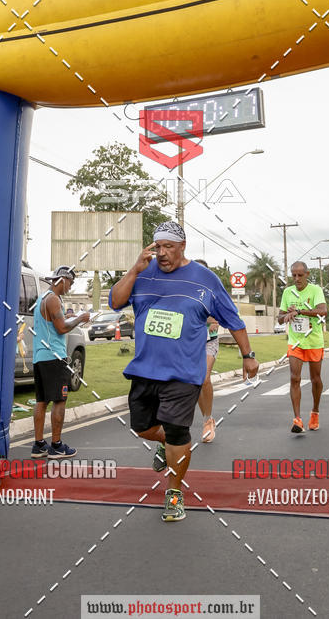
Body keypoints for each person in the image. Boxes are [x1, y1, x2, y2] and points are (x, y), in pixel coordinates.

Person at [110, 221, 259, 521]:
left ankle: (174, 493)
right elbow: (115, 301)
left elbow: (233, 319)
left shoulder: (205, 280)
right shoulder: (143, 273)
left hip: (184, 372)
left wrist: (248, 355)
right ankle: (166, 444)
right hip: (145, 369)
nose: (162, 253)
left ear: (182, 246)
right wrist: (134, 269)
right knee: (142, 427)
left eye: (169, 247)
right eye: (158, 247)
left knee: (178, 432)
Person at [31, 266, 92, 458]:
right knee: (59, 400)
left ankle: (39, 445)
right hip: (54, 357)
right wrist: (80, 318)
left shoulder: (43, 298)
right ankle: (56, 446)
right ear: (62, 280)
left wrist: (68, 317)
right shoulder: (54, 299)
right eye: (70, 283)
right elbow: (61, 328)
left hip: (40, 356)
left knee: (41, 401)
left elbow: (53, 322)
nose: (70, 287)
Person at [278, 261, 327, 434]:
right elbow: (279, 318)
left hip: (314, 341)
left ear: (307, 274)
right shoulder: (287, 292)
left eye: (300, 275)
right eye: (294, 275)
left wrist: (299, 311)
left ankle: (315, 412)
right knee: (294, 378)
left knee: (316, 379)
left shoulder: (315, 290)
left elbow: (323, 311)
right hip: (296, 342)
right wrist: (287, 314)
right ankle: (297, 420)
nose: (297, 278)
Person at [194, 259, 220, 443]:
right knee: (195, 383)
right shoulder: (185, 290)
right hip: (191, 342)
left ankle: (207, 421)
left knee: (204, 379)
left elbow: (220, 315)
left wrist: (214, 321)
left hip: (209, 341)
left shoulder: (213, 293)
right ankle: (207, 419)